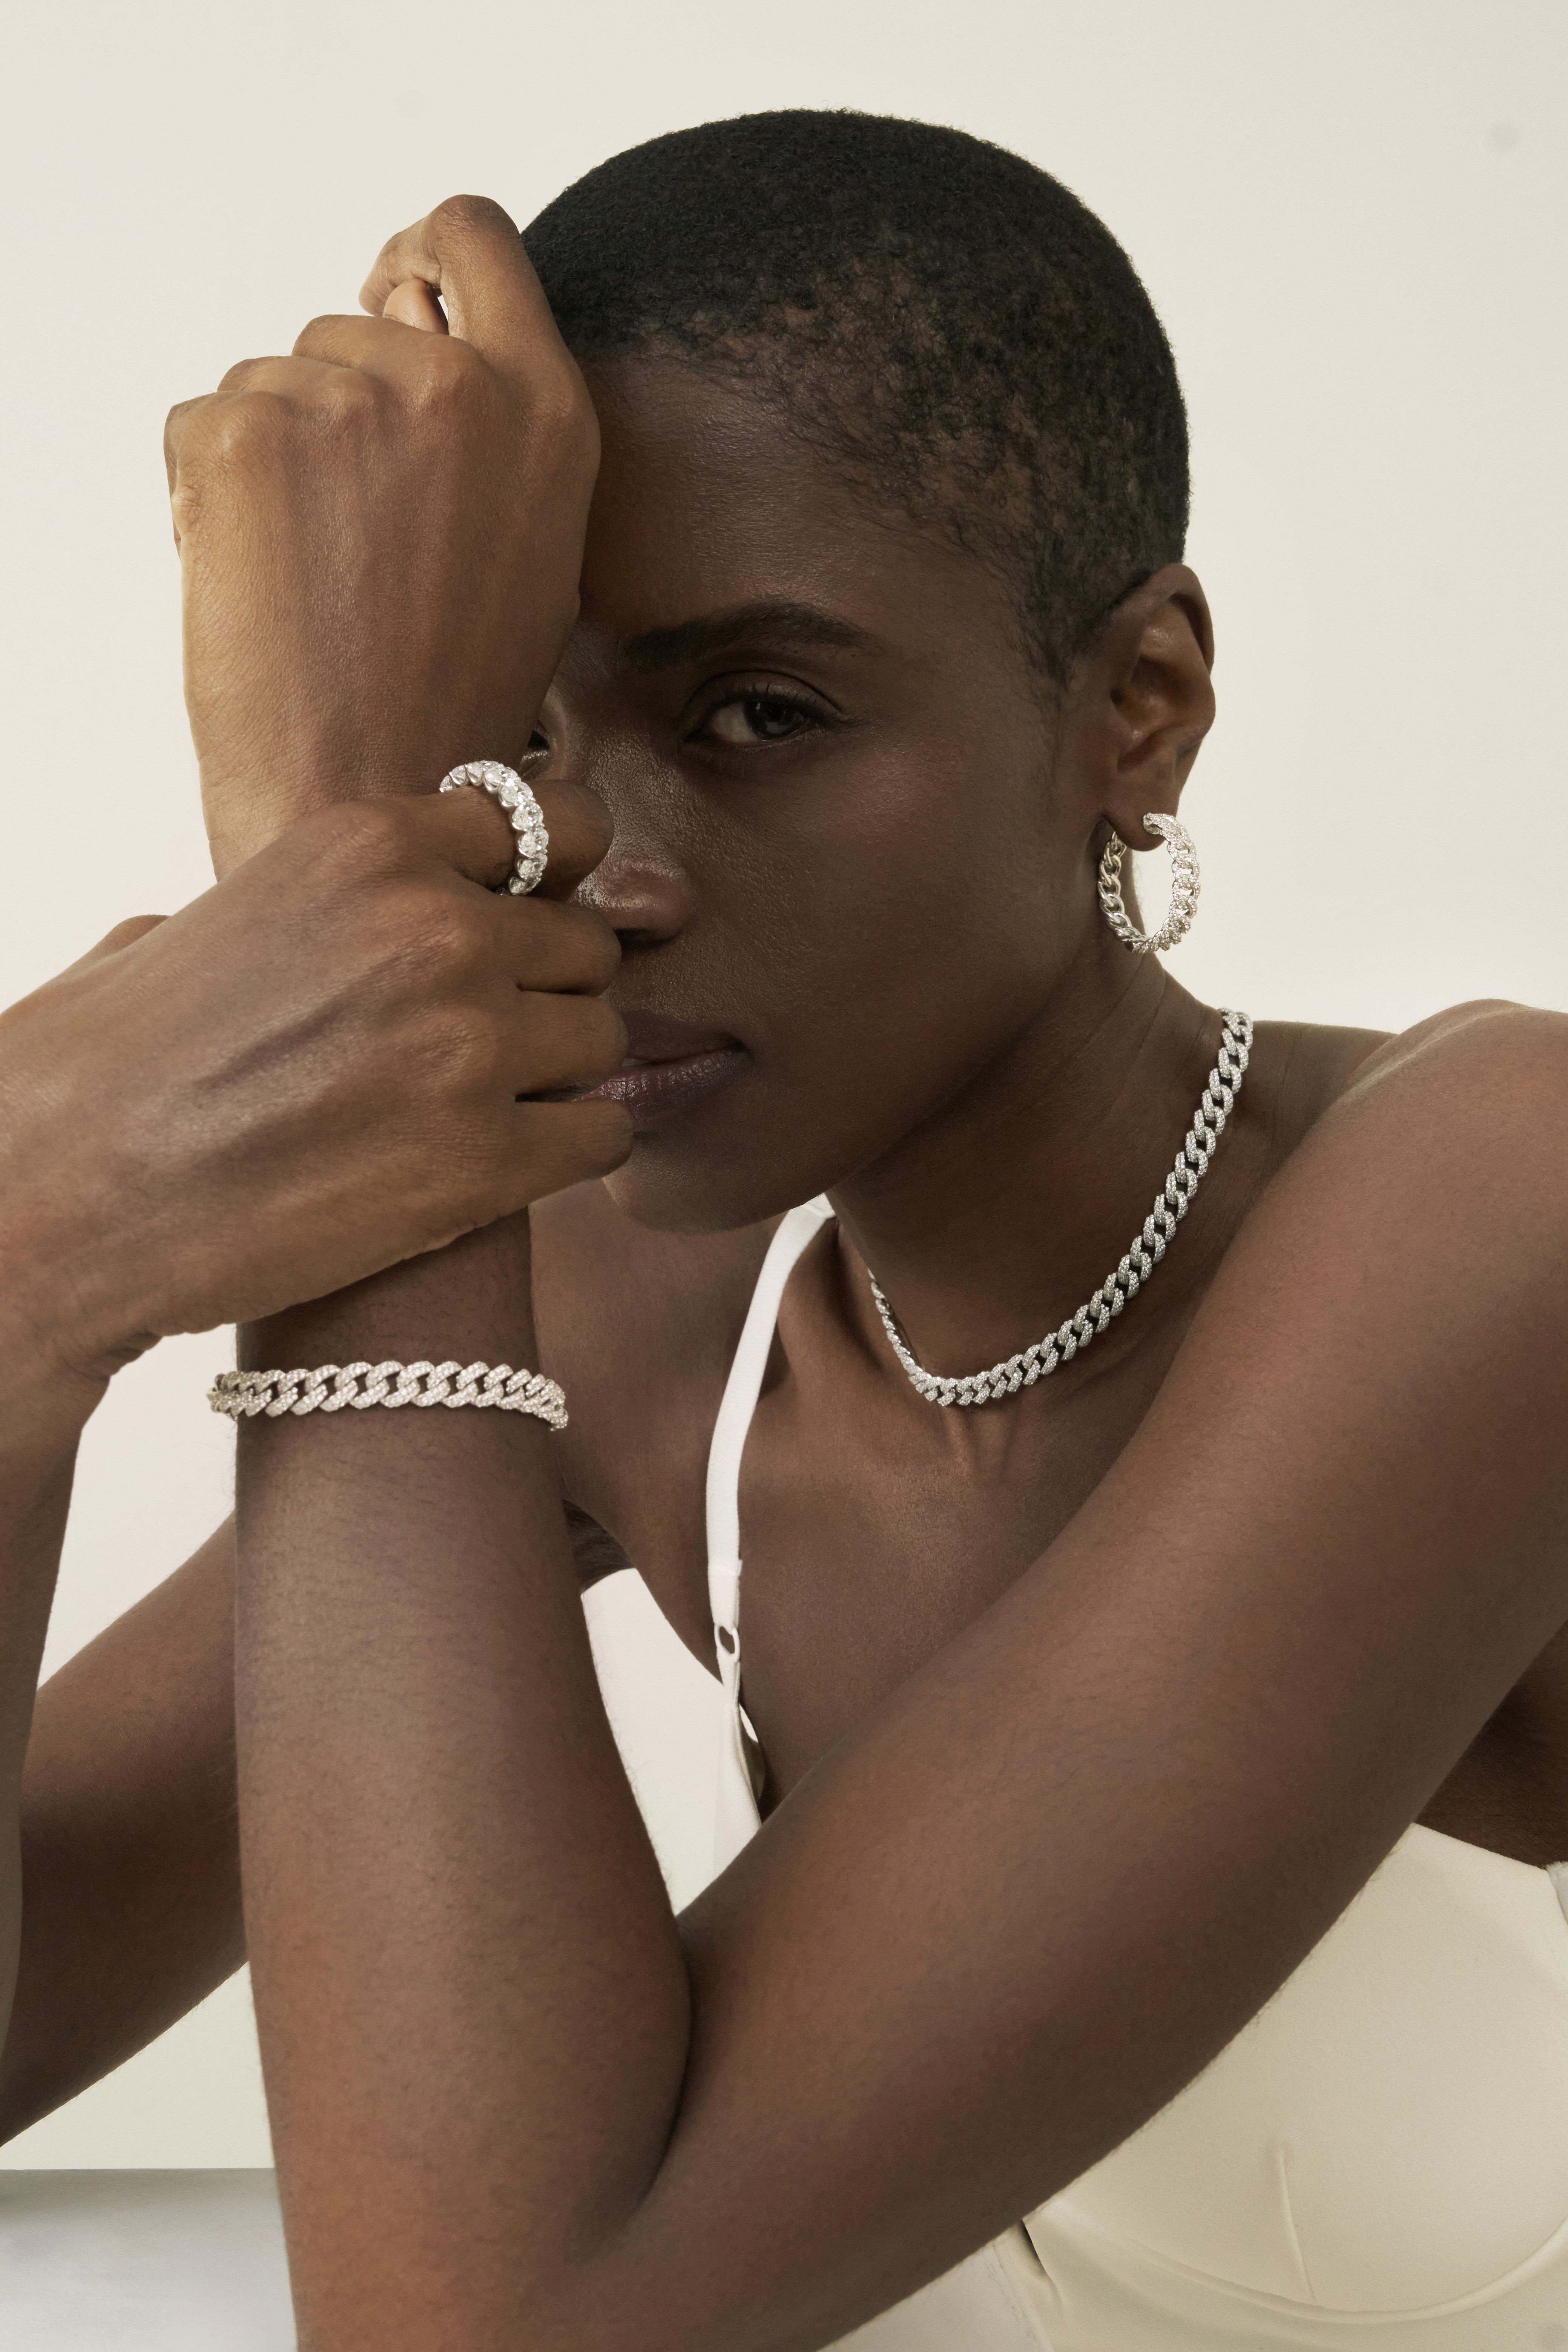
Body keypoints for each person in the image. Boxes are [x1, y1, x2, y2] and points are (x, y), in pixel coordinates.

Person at [1, 108, 1566, 2352]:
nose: (590, 870)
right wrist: (25, 1274)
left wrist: (354, 909)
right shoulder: (662, 1303)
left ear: (1139, 708)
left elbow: (479, 2323)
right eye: (509, 744)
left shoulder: (1509, 1199)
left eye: (759, 714)